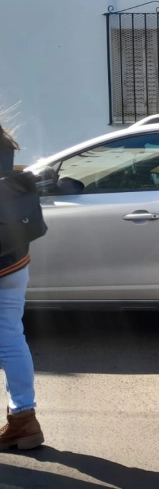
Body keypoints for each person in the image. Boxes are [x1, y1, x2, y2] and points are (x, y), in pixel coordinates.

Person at [0, 123, 44, 451]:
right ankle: (23, 418)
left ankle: (23, 421)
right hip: (15, 257)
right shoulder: (4, 141)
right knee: (12, 338)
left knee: (9, 340)